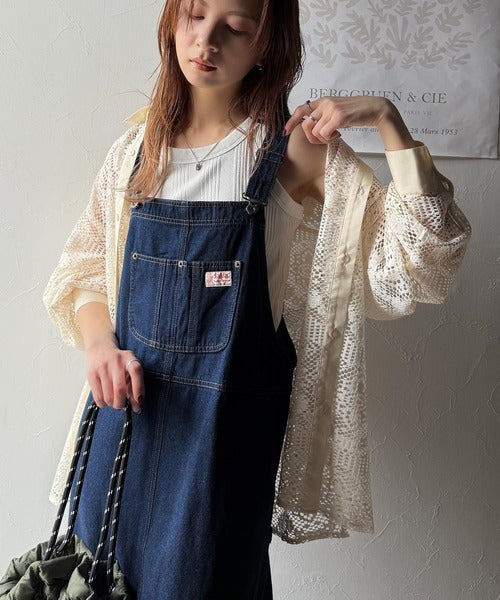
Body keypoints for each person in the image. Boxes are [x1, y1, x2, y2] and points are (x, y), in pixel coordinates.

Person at [43, 0, 472, 597]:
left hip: (223, 452)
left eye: (236, 27)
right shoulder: (134, 153)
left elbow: (426, 257)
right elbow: (85, 269)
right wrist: (98, 347)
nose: (206, 40)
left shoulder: (294, 153)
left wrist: (385, 118)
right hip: (122, 433)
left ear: (269, 44)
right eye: (194, 16)